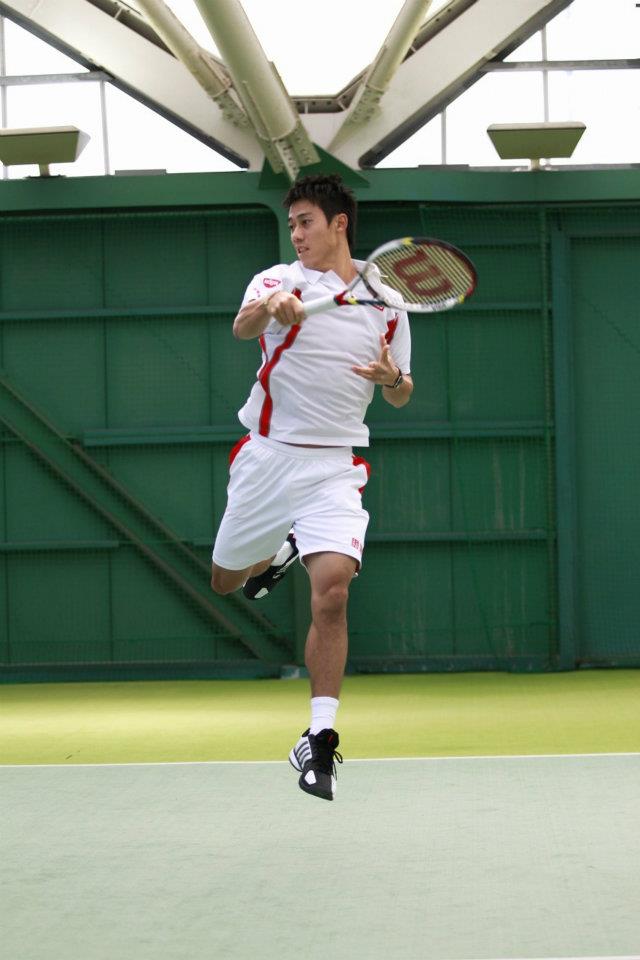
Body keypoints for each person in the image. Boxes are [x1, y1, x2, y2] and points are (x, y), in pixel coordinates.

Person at [211, 173, 413, 801]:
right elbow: (244, 326)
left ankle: (319, 738)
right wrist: (272, 306)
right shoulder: (278, 279)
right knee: (227, 581)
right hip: (269, 459)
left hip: (334, 466)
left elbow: (403, 391)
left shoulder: (387, 302)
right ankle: (276, 554)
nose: (296, 233)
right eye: (292, 223)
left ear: (338, 224)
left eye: (306, 221)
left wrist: (391, 380)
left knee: (333, 593)